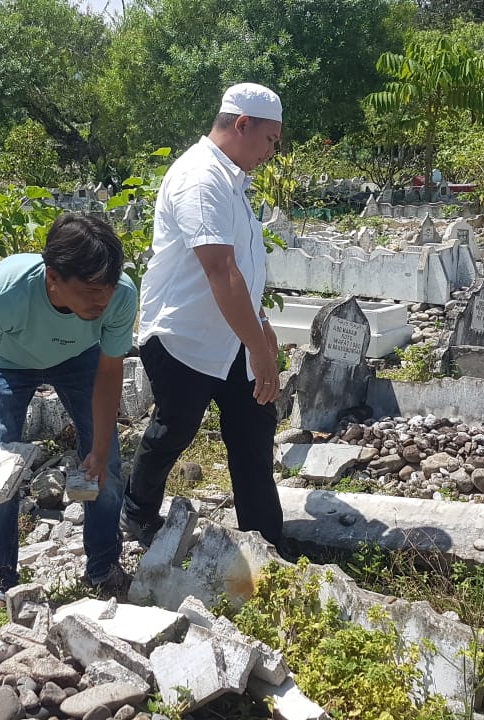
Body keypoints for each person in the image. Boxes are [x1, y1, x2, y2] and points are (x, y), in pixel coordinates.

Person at [121, 82, 285, 548]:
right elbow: (220, 269)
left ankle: (265, 541)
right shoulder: (200, 177)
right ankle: (137, 511)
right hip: (185, 335)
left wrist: (262, 326)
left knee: (254, 431)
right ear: (242, 124)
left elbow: (243, 269)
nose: (271, 152)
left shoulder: (231, 181)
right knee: (175, 428)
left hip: (231, 335)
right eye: (270, 139)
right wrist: (259, 348)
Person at [0, 213, 137, 603]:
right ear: (53, 277)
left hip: (80, 359)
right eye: (91, 290)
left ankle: (103, 566)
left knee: (106, 465)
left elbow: (109, 372)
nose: (102, 300)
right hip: (7, 362)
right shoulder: (4, 294)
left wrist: (100, 448)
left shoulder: (120, 294)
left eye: (107, 288)